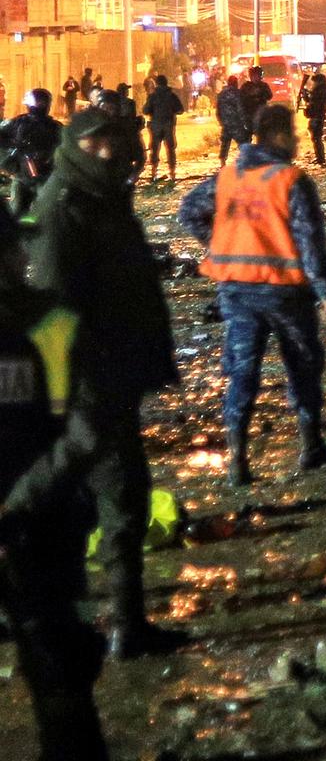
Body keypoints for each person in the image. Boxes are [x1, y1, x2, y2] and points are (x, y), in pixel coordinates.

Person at [27, 108, 182, 661]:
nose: (107, 154)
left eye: (111, 143)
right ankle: (124, 626)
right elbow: (53, 311)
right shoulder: (63, 210)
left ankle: (109, 618)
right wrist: (81, 388)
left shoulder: (102, 203)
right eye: (93, 146)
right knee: (118, 499)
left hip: (111, 377)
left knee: (98, 501)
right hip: (90, 387)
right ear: (74, 148)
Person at [177, 103, 326, 486]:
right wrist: (325, 290)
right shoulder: (290, 179)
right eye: (294, 132)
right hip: (285, 294)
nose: (299, 140)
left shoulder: (226, 177)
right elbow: (310, 241)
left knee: (242, 372)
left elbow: (188, 212)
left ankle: (237, 462)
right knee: (303, 366)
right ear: (278, 135)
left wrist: (219, 243)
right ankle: (311, 446)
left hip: (236, 292)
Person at [0, 203, 109, 759]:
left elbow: (85, 430)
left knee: (58, 672)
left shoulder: (53, 326)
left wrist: (18, 503)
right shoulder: (55, 322)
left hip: (39, 529)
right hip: (37, 520)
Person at [1, 89, 62, 217]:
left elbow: (65, 147)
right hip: (22, 177)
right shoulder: (19, 122)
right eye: (38, 102)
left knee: (47, 213)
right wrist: (14, 149)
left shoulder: (54, 126)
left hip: (45, 177)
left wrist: (49, 156)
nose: (41, 105)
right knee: (16, 212)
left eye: (43, 102)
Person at [94, 87, 146, 183]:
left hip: (121, 176)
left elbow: (140, 157)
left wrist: (132, 177)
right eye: (104, 108)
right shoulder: (91, 129)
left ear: (117, 109)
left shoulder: (126, 127)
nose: (107, 111)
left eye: (110, 108)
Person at [142, 74, 184, 184]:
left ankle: (154, 172)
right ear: (166, 83)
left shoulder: (153, 96)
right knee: (170, 149)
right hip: (168, 126)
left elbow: (146, 110)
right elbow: (180, 109)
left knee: (155, 149)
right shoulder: (172, 95)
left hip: (155, 126)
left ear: (157, 84)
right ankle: (172, 173)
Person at [215, 75, 250, 166]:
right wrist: (245, 122)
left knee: (225, 143)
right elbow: (240, 109)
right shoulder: (237, 93)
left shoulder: (221, 94)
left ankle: (222, 162)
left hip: (226, 123)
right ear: (236, 83)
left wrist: (220, 120)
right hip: (236, 123)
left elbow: (218, 108)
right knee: (243, 142)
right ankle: (246, 160)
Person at [304, 70, 326, 166]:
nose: (313, 84)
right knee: (315, 137)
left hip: (317, 116)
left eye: (314, 82)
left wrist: (308, 96)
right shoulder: (320, 91)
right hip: (316, 116)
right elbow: (311, 101)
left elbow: (315, 103)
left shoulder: (320, 91)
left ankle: (320, 158)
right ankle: (319, 157)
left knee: (316, 137)